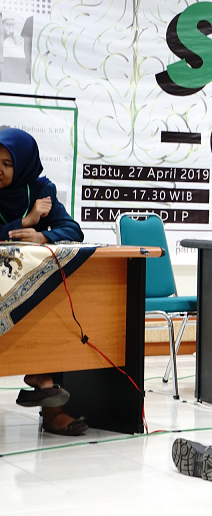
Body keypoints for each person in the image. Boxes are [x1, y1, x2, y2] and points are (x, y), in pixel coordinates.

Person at [0, 127, 88, 435]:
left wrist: (42, 235)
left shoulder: (39, 188)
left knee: (57, 309)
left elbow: (72, 230)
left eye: (7, 164)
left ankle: (50, 403)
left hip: (27, 286)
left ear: (23, 165)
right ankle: (43, 383)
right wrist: (24, 222)